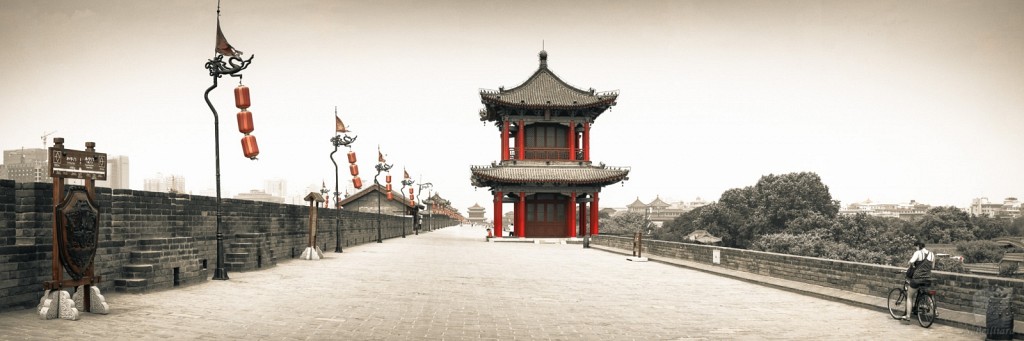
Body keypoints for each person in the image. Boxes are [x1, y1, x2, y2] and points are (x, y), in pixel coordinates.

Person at [903, 241, 934, 320]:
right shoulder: (931, 254)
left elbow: (911, 262)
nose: (915, 248)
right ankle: (932, 309)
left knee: (910, 296)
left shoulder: (918, 253)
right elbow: (932, 266)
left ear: (918, 246)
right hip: (927, 278)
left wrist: (912, 265)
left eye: (916, 247)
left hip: (917, 278)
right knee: (926, 292)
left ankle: (908, 317)